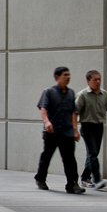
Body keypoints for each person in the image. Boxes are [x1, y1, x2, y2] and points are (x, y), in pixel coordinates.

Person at [34, 65, 85, 193]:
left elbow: (73, 112)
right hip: (52, 131)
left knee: (70, 159)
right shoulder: (49, 92)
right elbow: (43, 108)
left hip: (67, 131)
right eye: (65, 75)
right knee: (47, 156)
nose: (68, 77)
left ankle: (72, 184)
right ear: (57, 77)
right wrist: (47, 122)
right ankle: (40, 178)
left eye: (69, 75)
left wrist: (75, 130)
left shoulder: (71, 93)